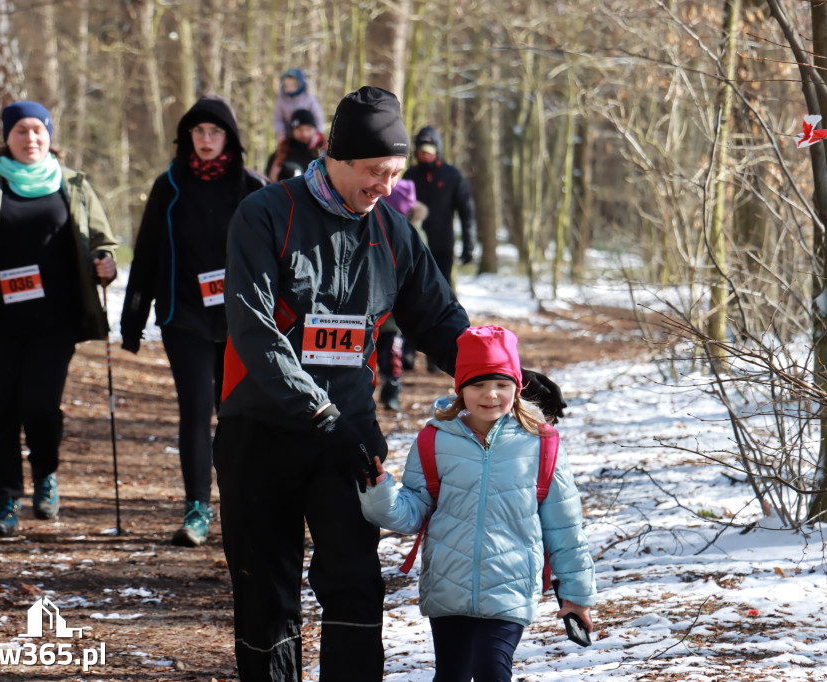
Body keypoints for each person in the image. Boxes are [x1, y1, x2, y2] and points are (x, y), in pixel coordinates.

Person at [211, 85, 566, 682]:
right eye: (375, 172)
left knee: (353, 583)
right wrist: (319, 413)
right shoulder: (266, 213)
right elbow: (254, 333)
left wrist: (506, 374)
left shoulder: (396, 234)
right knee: (266, 591)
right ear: (336, 157)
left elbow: (440, 321)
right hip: (261, 430)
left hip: (347, 438)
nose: (384, 186)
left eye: (394, 173)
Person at [360, 325, 597, 681]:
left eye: (502, 385)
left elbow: (565, 527)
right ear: (460, 388)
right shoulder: (433, 440)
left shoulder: (541, 444)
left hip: (510, 587)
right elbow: (410, 514)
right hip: (448, 588)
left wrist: (577, 595)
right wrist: (380, 491)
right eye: (478, 385)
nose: (491, 395)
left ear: (517, 387)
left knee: (492, 669)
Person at [0, 100, 118, 538]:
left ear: (50, 135)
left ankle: (45, 475)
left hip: (54, 320)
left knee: (39, 407)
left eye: (38, 130)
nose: (30, 138)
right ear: (7, 137)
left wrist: (105, 261)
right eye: (21, 130)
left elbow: (102, 240)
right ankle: (4, 498)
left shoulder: (73, 184)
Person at [119, 94, 266, 547]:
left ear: (230, 139)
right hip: (183, 317)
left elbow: (277, 255)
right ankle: (197, 509)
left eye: (215, 132)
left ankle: (243, 504)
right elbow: (146, 251)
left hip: (241, 320)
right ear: (187, 137)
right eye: (198, 132)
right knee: (196, 411)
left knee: (238, 416)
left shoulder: (253, 187)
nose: (206, 140)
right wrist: (133, 318)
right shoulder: (170, 185)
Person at [402, 126, 477, 371]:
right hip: (414, 247)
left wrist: (469, 244)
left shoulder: (452, 175)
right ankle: (407, 352)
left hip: (443, 247)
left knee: (440, 300)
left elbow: (466, 211)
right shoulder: (409, 176)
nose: (425, 155)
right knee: (410, 298)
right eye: (421, 151)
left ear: (438, 150)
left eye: (430, 150)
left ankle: (439, 355)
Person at [376, 178, 428, 411]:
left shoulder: (412, 233)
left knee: (391, 347)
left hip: (397, 302)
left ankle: (392, 389)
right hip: (373, 301)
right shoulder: (375, 226)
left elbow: (421, 269)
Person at [264, 108, 324, 182]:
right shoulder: (280, 155)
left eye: (308, 129)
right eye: (300, 129)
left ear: (315, 130)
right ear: (293, 131)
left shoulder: (324, 152)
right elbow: (270, 182)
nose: (304, 134)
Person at [271, 68, 326, 143]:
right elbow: (277, 119)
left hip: (309, 136)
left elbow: (318, 116)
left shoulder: (309, 98)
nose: (289, 88)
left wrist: (319, 134)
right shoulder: (281, 100)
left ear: (299, 84)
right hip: (289, 137)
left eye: (293, 85)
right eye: (286, 85)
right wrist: (282, 137)